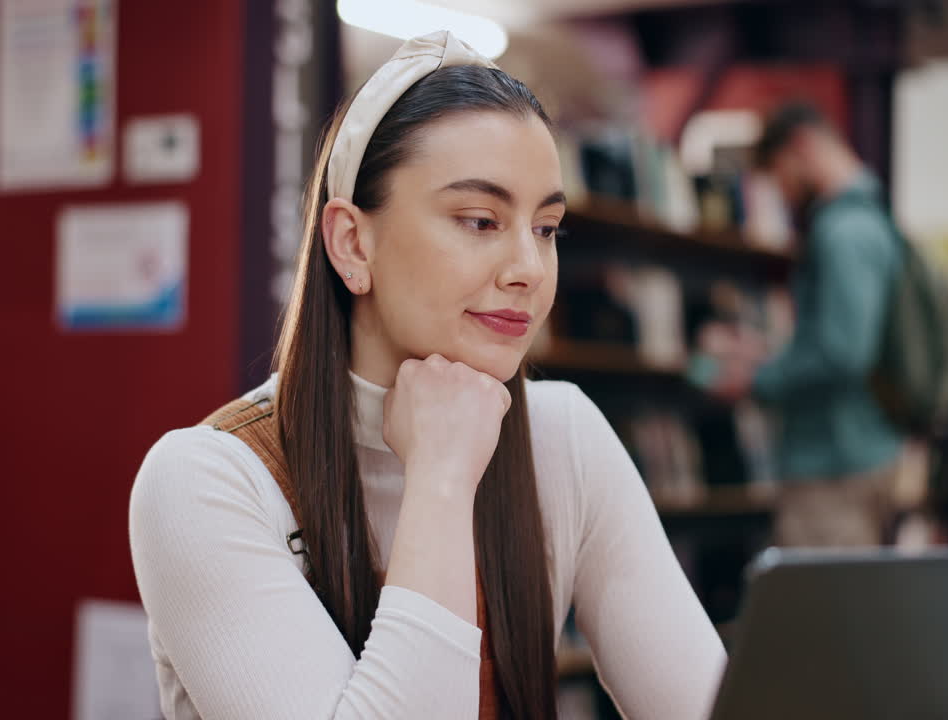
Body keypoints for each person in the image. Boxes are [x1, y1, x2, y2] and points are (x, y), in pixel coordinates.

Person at [128, 31, 724, 720]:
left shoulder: (564, 435)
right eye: (479, 221)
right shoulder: (205, 482)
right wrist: (441, 473)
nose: (529, 269)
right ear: (353, 243)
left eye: (546, 228)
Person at [705, 102, 909, 547]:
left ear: (802, 147)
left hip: (833, 464)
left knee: (825, 612)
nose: (783, 192)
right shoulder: (870, 220)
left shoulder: (844, 230)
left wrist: (758, 378)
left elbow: (844, 353)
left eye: (779, 174)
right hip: (853, 454)